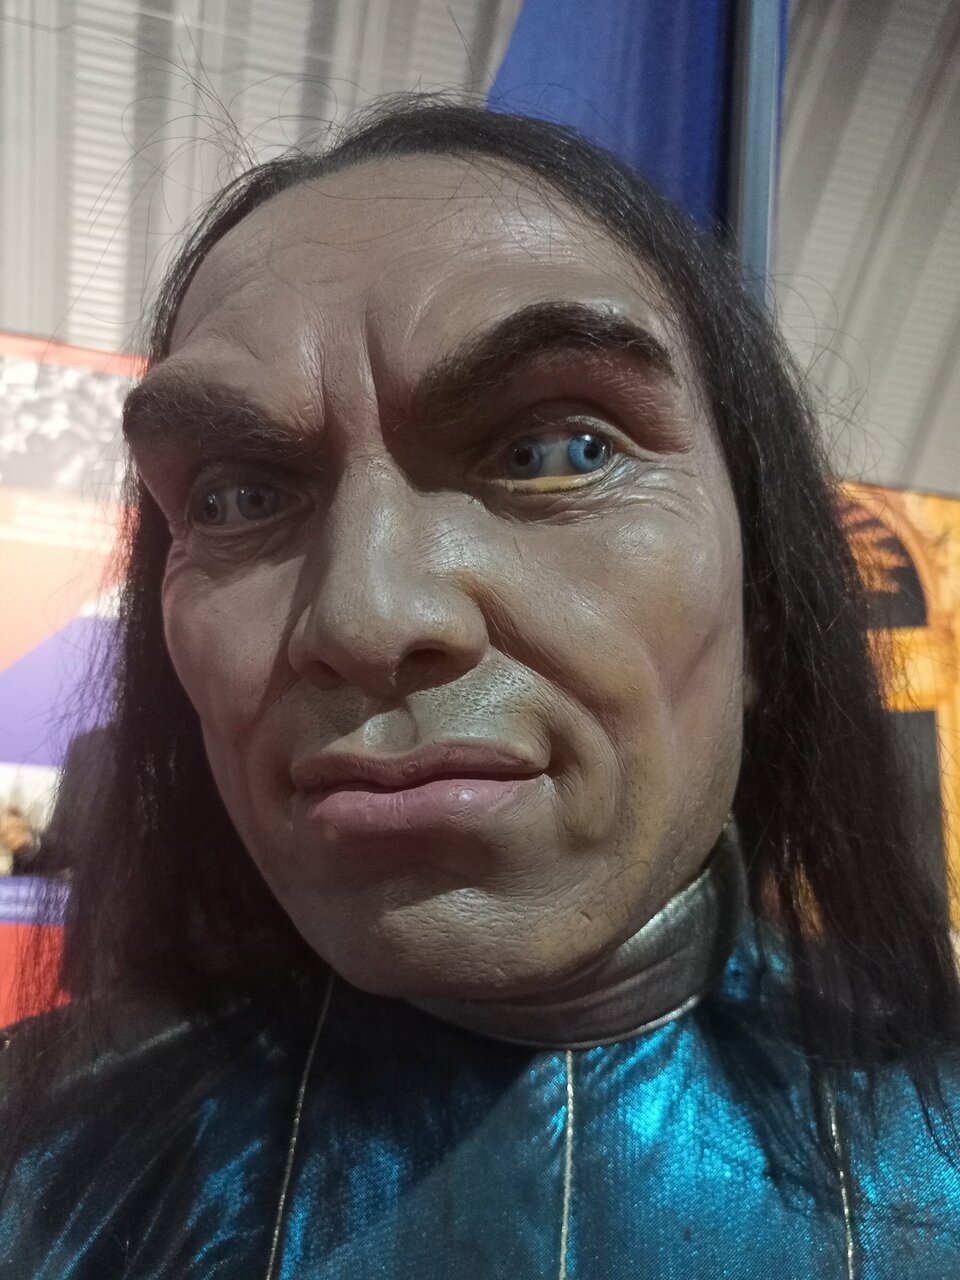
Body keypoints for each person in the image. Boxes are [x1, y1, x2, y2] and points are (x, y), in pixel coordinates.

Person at [1, 97, 959, 1279]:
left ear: (763, 597)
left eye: (556, 451)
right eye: (238, 495)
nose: (365, 616)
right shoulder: (34, 1162)